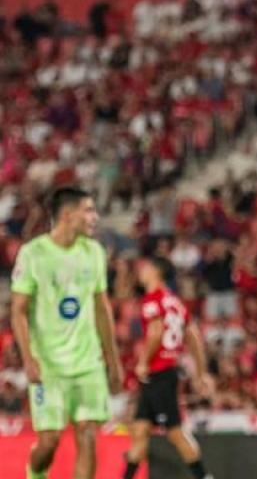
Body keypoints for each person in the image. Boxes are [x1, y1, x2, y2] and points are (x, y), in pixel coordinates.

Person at [11, 187, 123, 479]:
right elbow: (18, 310)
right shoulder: (34, 253)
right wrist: (28, 358)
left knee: (87, 434)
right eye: (88, 211)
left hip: (87, 364)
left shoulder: (94, 252)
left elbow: (102, 307)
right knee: (49, 442)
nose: (94, 218)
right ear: (67, 214)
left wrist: (113, 360)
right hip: (49, 366)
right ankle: (34, 474)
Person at [122, 256, 215, 479]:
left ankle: (204, 476)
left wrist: (143, 361)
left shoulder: (152, 300)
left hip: (160, 374)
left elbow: (155, 332)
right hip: (163, 374)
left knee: (175, 433)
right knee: (140, 431)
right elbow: (193, 337)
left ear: (156, 271)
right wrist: (201, 373)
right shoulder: (174, 302)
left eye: (145, 267)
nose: (141, 271)